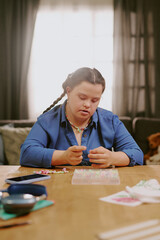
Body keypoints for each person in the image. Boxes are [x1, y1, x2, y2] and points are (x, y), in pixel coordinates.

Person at [20, 67, 144, 168]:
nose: (88, 105)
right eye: (82, 98)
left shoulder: (110, 121)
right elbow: (26, 153)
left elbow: (138, 154)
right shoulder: (47, 120)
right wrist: (63, 157)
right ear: (68, 92)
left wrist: (112, 158)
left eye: (95, 100)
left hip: (100, 188)